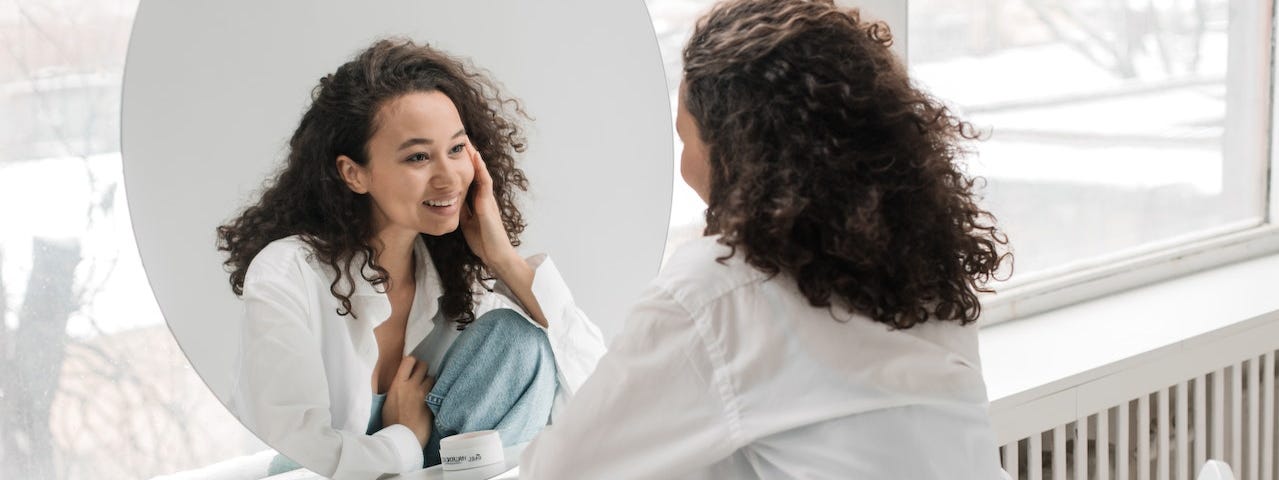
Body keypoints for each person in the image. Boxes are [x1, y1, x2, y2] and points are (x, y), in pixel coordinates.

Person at [519, 0, 1012, 478]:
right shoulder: (921, 268)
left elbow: (560, 471)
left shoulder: (717, 291)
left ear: (737, 152)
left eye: (684, 138)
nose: (684, 166)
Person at [215, 38, 605, 480]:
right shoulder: (287, 273)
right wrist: (401, 437)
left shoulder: (450, 274)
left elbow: (595, 390)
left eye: (457, 150)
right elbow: (301, 452)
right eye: (418, 156)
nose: (448, 178)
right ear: (353, 173)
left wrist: (502, 259)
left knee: (522, 342)